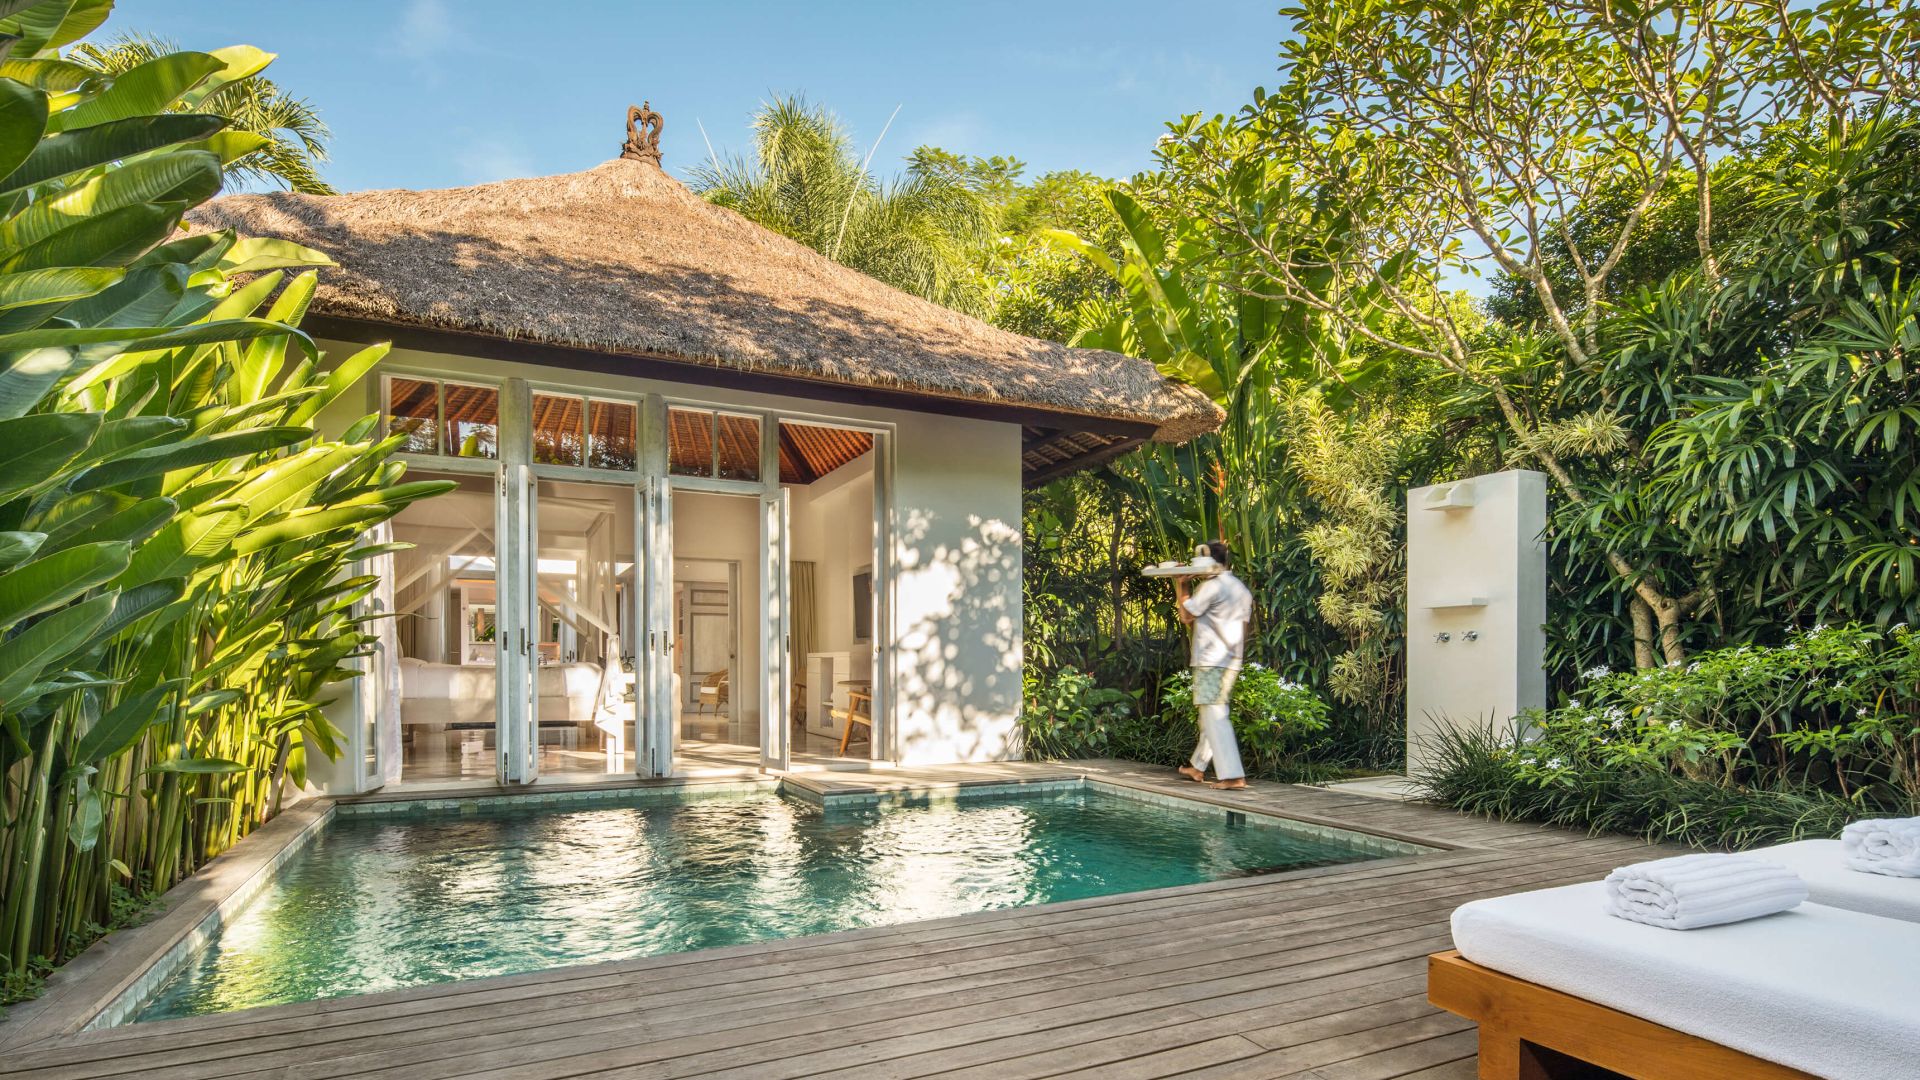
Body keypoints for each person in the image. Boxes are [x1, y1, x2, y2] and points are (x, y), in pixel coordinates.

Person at [1173, 541, 1255, 790]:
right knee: (1210, 715)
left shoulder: (1211, 587)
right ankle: (1198, 766)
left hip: (1211, 660)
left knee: (1215, 715)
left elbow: (1187, 616)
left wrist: (1182, 584)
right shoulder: (1240, 588)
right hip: (1231, 660)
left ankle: (1232, 776)